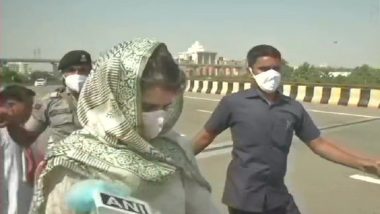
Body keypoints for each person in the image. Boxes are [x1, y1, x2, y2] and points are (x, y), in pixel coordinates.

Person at [30, 39, 219, 214]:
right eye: (147, 107)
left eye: (166, 107)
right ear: (116, 100)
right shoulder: (74, 160)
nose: (159, 117)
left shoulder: (177, 149)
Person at [192, 44, 380, 214]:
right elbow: (205, 137)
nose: (271, 74)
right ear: (251, 71)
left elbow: (319, 144)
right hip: (244, 196)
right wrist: (171, 160)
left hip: (277, 195)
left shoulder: (292, 108)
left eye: (276, 68)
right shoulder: (234, 103)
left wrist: (365, 163)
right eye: (264, 69)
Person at [7, 50, 92, 148]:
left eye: (83, 70)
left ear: (90, 72)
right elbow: (26, 138)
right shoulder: (49, 102)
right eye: (72, 70)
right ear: (63, 74)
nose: (77, 74)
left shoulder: (108, 99)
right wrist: (10, 121)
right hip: (64, 161)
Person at [0, 85, 36, 214]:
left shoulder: (24, 132)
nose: (30, 111)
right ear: (10, 105)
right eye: (28, 106)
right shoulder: (4, 134)